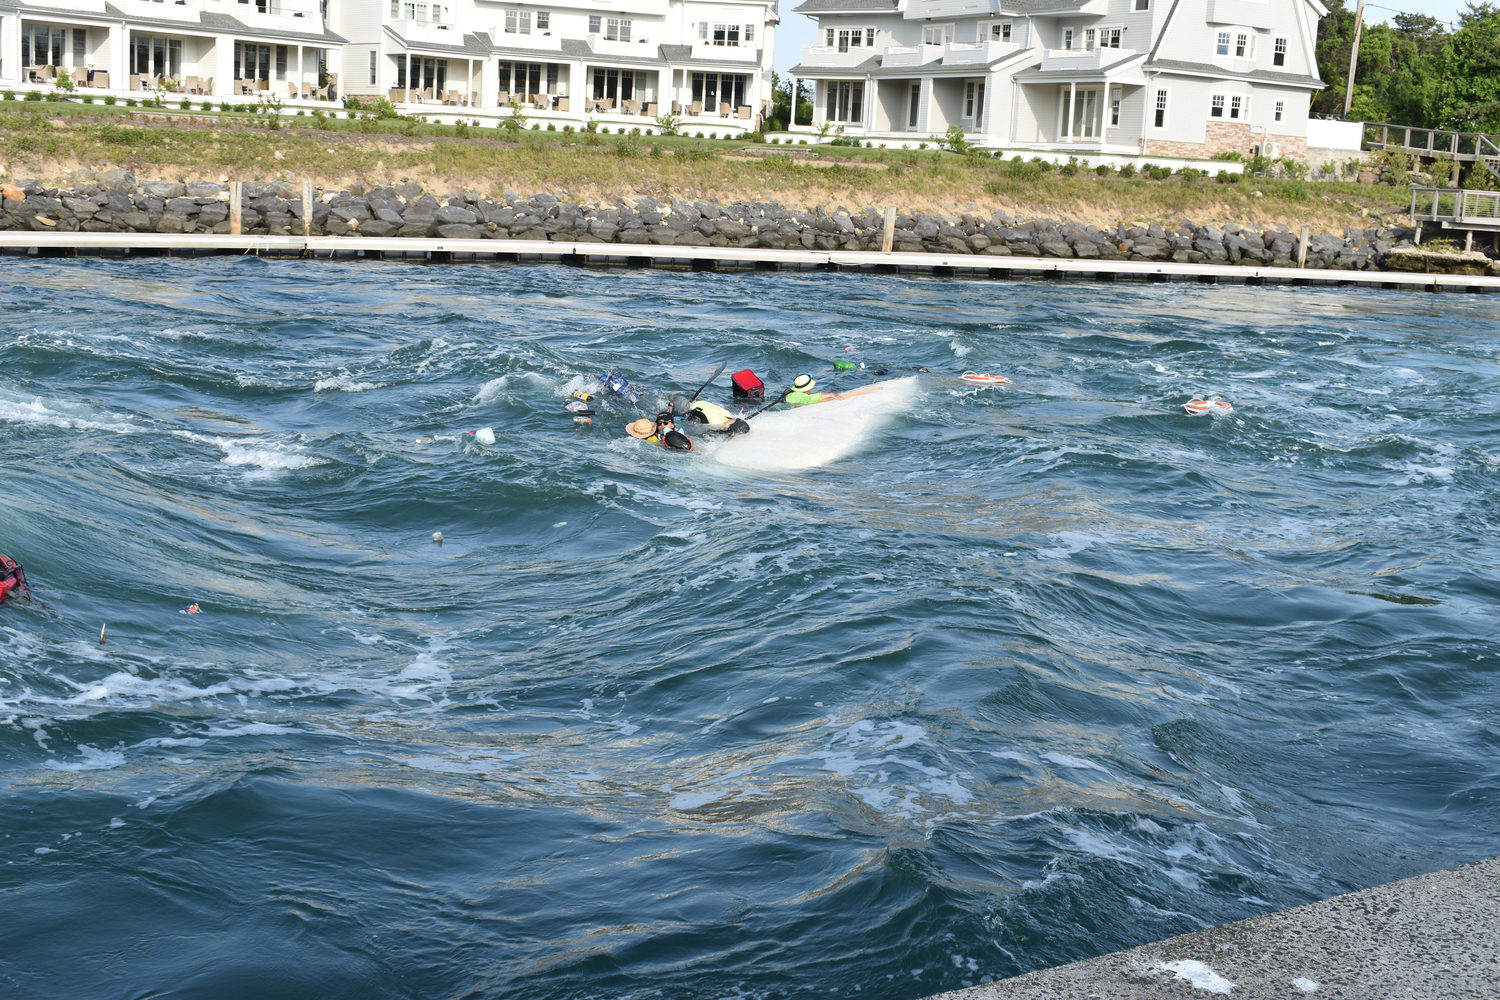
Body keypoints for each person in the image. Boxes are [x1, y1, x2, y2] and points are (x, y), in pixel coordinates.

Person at [626, 412, 695, 451]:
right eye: (659, 423)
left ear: (672, 425)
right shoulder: (654, 439)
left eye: (666, 422)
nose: (662, 425)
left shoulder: (682, 438)